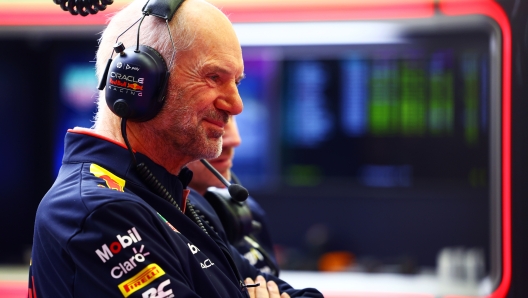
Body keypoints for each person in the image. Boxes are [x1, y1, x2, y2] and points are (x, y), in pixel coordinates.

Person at [28, 0, 323, 297]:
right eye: (214, 78)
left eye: (236, 82)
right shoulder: (97, 211)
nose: (236, 104)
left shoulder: (181, 205)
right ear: (139, 83)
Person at [186, 116, 280, 276]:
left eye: (230, 118)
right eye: (210, 120)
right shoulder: (148, 222)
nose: (235, 140)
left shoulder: (246, 213)